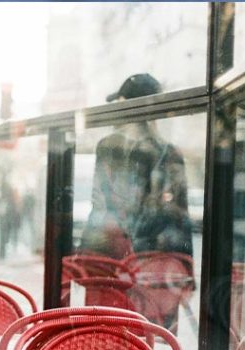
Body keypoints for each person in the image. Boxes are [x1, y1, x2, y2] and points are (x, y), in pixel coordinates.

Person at [79, 73, 192, 261]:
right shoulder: (170, 153)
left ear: (125, 104)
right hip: (152, 258)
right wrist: (185, 266)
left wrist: (85, 252)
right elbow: (180, 218)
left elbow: (100, 205)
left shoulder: (108, 147)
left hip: (108, 256)